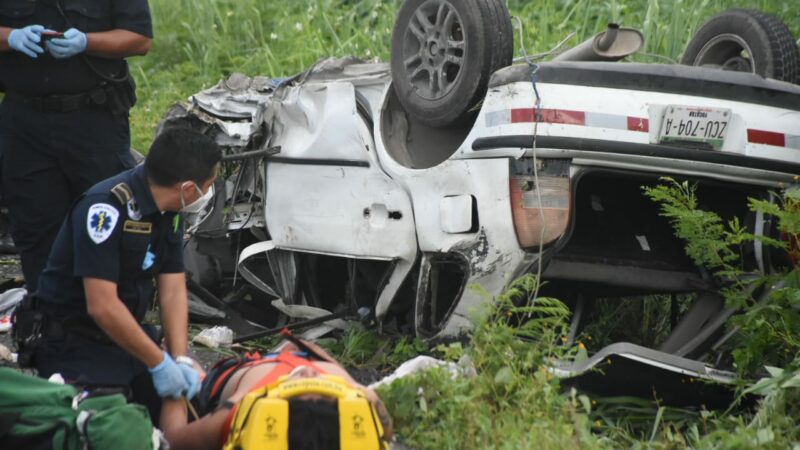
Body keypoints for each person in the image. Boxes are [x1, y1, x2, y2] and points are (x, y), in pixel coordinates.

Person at [31, 128, 219, 422]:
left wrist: (179, 359)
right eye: (208, 185)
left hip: (128, 339)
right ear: (186, 188)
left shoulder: (170, 213)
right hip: (75, 343)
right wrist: (159, 364)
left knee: (195, 403)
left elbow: (172, 289)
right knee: (109, 425)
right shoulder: (104, 209)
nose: (207, 193)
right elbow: (102, 305)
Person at [0, 0, 152, 292]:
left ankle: (108, 318)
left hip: (93, 119)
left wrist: (86, 42)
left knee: (105, 218)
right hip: (24, 121)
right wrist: (11, 37)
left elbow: (140, 38)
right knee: (35, 228)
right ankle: (46, 321)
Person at [160, 337, 395, 450]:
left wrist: (173, 379)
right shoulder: (361, 402)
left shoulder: (240, 410)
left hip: (239, 372)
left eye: (300, 391)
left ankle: (194, 370)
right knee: (303, 344)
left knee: (192, 373)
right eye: (321, 391)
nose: (309, 377)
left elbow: (173, 438)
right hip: (299, 353)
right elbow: (386, 430)